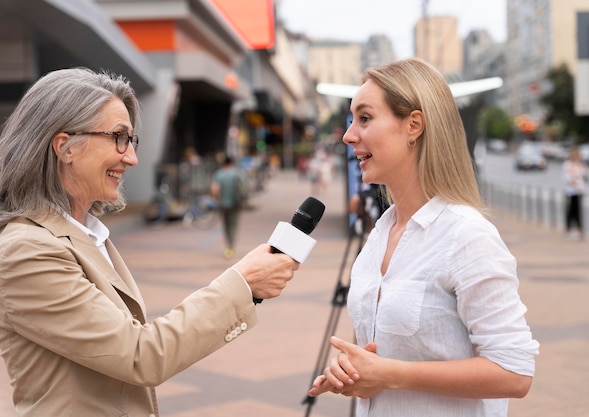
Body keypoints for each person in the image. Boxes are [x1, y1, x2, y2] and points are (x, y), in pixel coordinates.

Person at [0, 67, 299, 417]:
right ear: (65, 148)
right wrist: (243, 284)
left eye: (131, 140)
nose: (131, 157)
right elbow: (140, 354)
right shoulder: (26, 250)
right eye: (118, 137)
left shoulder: (85, 234)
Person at [308, 58, 539, 416]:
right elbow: (382, 358)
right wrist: (354, 370)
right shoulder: (379, 235)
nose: (349, 135)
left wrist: (390, 374)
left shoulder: (466, 235)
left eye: (365, 118)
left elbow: (514, 371)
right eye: (352, 119)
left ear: (414, 125)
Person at [211, 155, 246, 258]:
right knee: (233, 225)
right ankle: (232, 245)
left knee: (226, 225)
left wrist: (217, 199)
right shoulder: (238, 173)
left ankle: (228, 246)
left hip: (223, 203)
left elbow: (214, 189)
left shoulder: (219, 174)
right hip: (236, 203)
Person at [562, 145, 588, 239]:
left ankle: (579, 227)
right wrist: (574, 183)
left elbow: (584, 175)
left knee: (578, 209)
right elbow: (567, 177)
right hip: (571, 190)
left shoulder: (580, 164)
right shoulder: (567, 164)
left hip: (579, 190)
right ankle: (569, 226)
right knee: (571, 209)